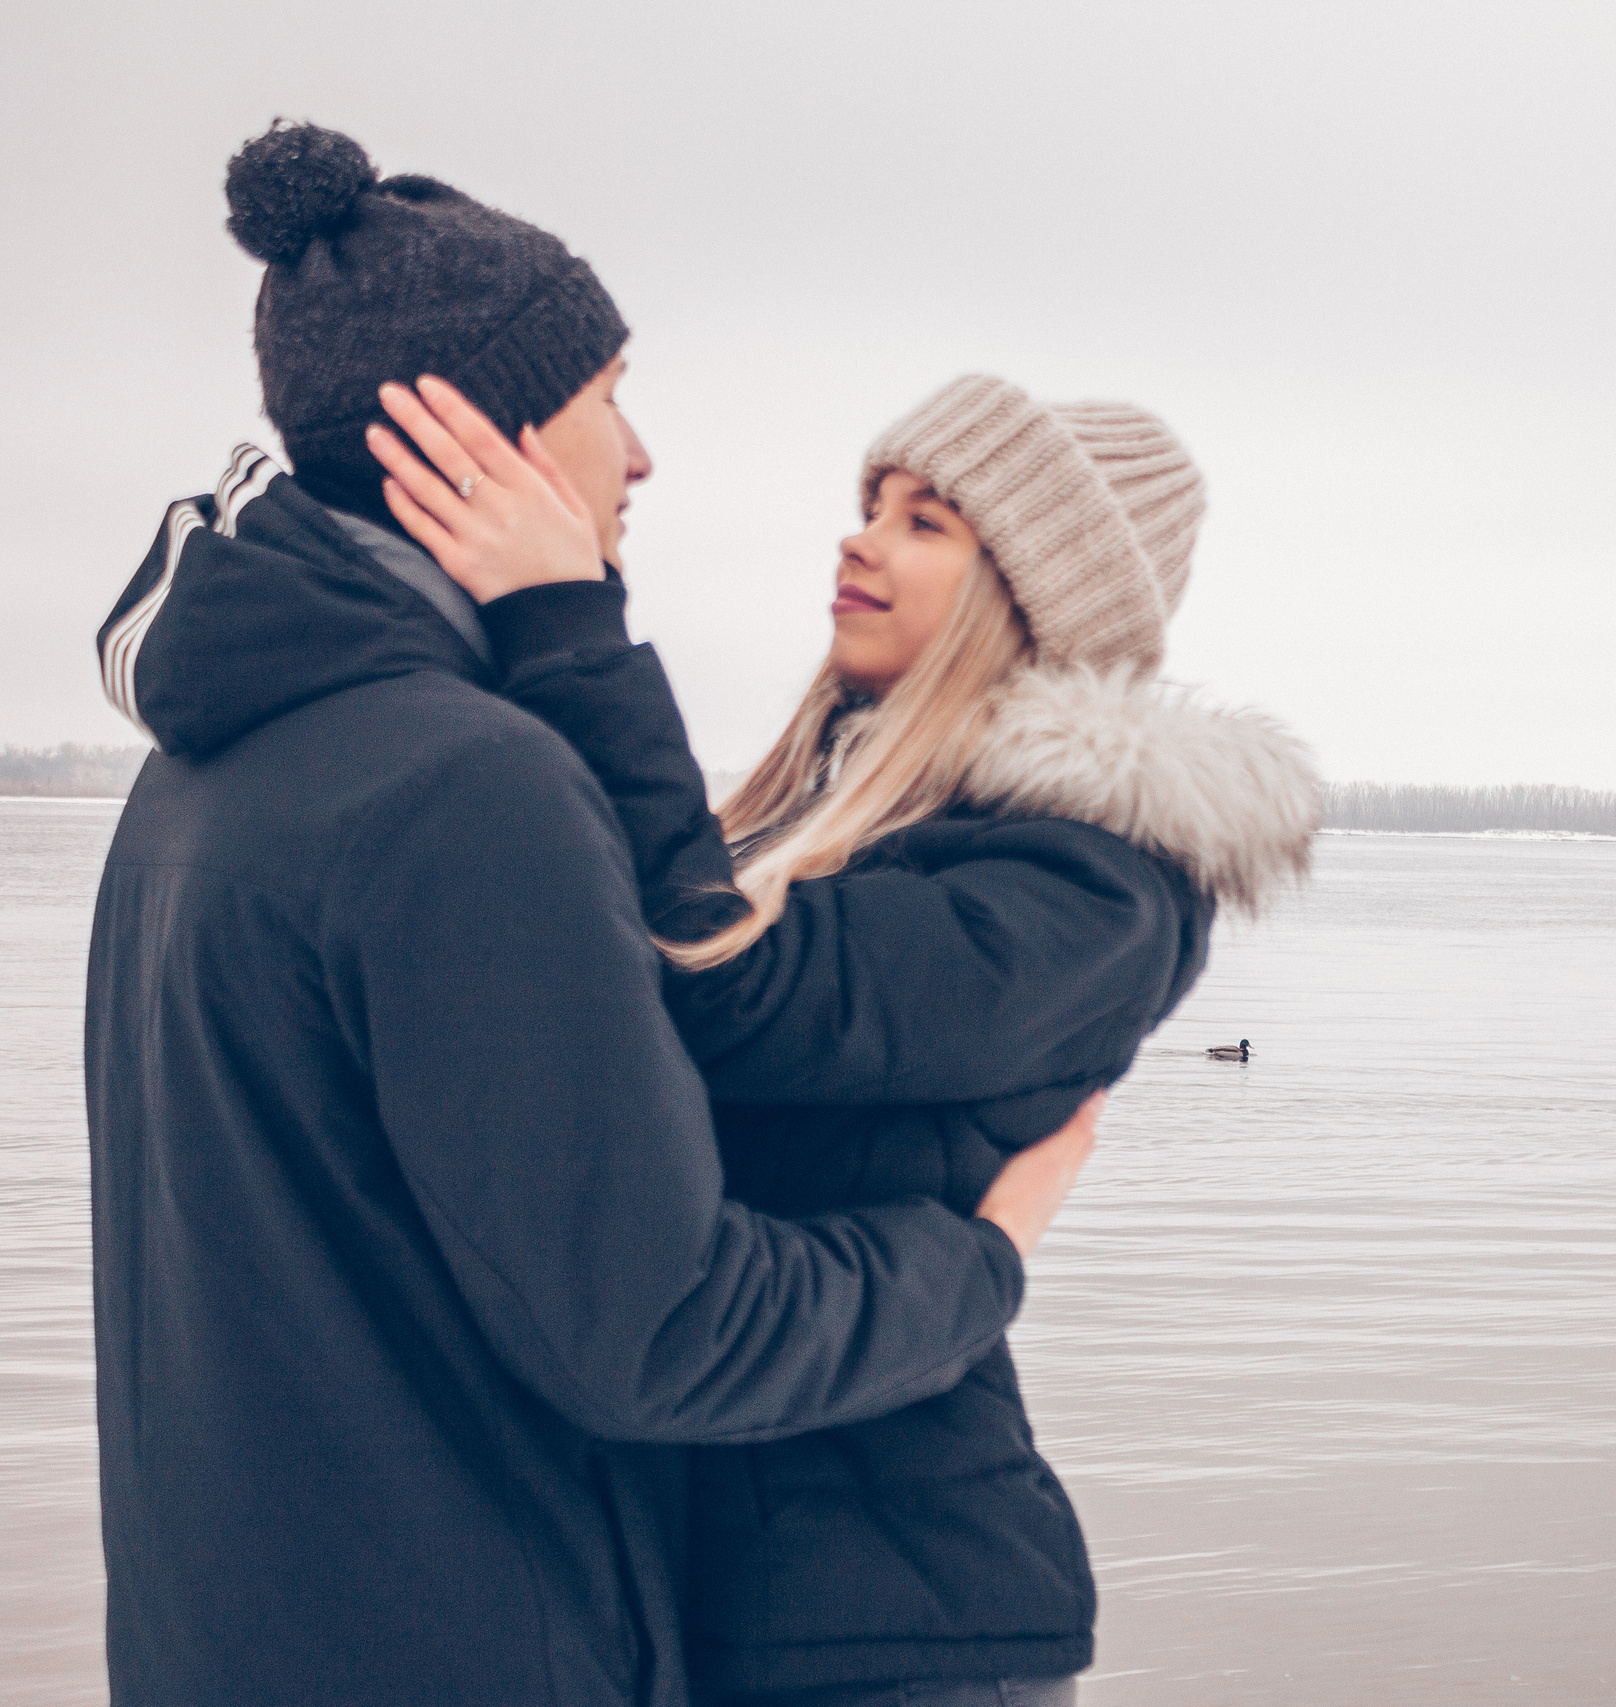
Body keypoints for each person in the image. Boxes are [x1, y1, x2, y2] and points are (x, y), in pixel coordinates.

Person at [86, 123, 1099, 1707]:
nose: (642, 457)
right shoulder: (467, 788)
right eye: (610, 397)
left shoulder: (198, 774)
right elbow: (668, 1334)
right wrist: (977, 1257)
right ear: (479, 439)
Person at [365, 369, 1321, 1704]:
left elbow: (728, 991)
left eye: (928, 522)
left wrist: (564, 620)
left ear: (1033, 600)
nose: (859, 537)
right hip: (704, 1589)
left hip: (892, 1628)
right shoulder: (831, 829)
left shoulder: (1094, 888)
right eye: (871, 502)